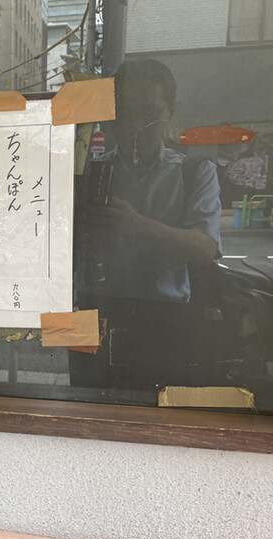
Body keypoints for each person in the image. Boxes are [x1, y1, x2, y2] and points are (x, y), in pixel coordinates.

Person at [71, 58, 223, 390]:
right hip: (94, 313)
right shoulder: (87, 174)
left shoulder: (195, 171)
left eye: (150, 113)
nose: (136, 126)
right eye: (124, 114)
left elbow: (206, 249)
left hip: (166, 320)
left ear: (171, 112)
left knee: (162, 413)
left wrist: (138, 225)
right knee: (88, 409)